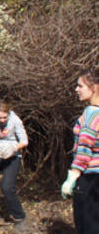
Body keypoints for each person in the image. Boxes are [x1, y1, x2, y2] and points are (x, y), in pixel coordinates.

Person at [61, 67, 99, 234]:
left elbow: (84, 147)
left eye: (80, 86)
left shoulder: (91, 113)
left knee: (87, 225)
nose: (76, 89)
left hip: (90, 179)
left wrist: (73, 177)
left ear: (94, 88)